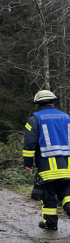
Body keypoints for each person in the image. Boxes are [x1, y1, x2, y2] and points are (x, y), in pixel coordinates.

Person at [22, 90, 70, 231]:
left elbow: (30, 143)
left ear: (38, 104)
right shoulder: (67, 117)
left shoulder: (35, 118)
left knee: (48, 193)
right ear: (53, 101)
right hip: (67, 165)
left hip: (47, 165)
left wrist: (28, 162)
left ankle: (50, 223)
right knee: (66, 193)